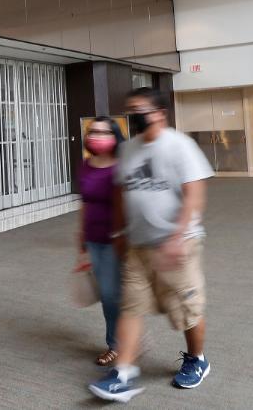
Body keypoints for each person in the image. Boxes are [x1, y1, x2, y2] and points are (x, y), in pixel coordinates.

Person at [88, 87, 214, 403]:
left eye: (139, 110)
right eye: (129, 110)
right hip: (138, 246)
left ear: (159, 113)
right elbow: (119, 192)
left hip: (177, 245)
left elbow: (194, 195)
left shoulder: (180, 146)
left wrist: (177, 236)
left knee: (186, 309)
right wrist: (118, 233)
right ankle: (124, 373)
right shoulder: (128, 149)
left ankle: (197, 359)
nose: (133, 116)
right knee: (130, 307)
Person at [77, 116, 125, 367]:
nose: (94, 135)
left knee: (111, 294)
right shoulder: (86, 164)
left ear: (114, 135)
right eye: (91, 131)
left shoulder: (122, 166)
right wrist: (81, 240)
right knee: (108, 295)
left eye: (101, 131)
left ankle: (119, 344)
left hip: (117, 241)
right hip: (94, 239)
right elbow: (84, 203)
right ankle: (120, 341)